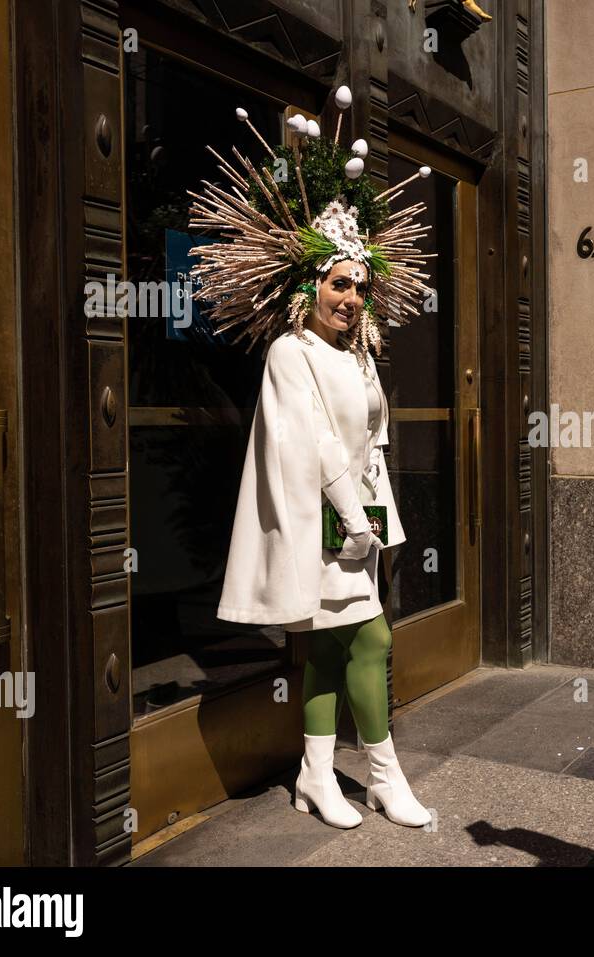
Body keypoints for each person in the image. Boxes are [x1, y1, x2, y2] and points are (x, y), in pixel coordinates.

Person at [189, 86, 437, 829]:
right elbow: (313, 443)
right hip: (329, 526)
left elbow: (371, 441)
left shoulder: (357, 354)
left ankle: (317, 774)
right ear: (310, 288)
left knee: (329, 654)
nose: (353, 297)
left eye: (361, 285)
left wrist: (380, 518)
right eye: (339, 283)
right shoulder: (290, 352)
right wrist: (354, 517)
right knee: (373, 637)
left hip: (358, 528)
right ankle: (384, 775)